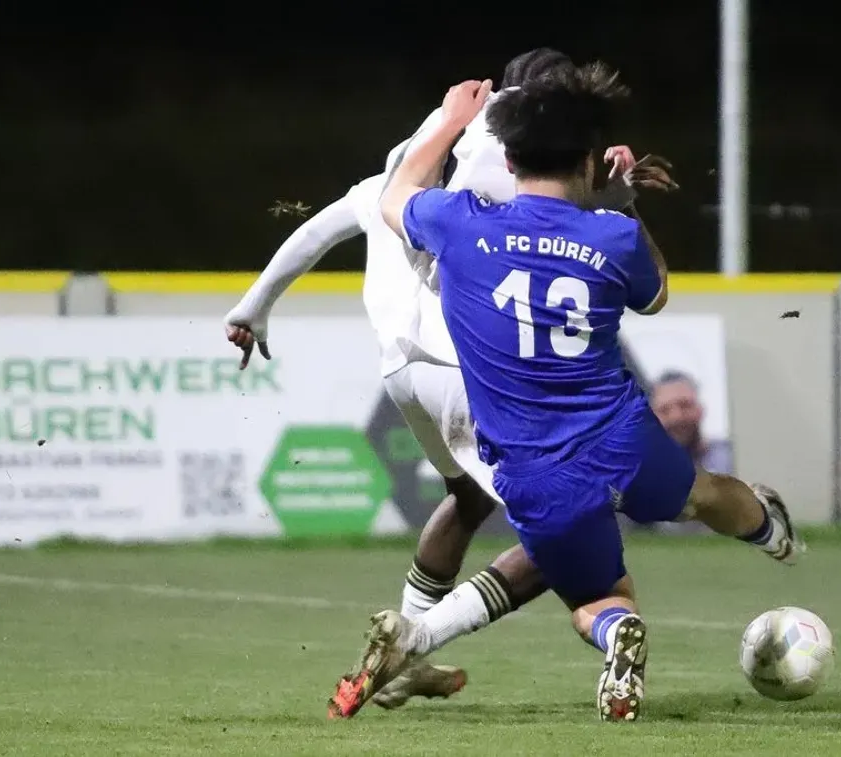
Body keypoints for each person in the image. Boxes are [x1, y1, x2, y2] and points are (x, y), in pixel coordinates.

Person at [338, 64, 804, 723]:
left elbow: (396, 197)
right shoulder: (611, 234)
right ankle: (769, 530)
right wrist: (622, 205)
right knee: (702, 492)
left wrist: (449, 121)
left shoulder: (460, 224)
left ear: (508, 159)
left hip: (534, 470)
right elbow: (656, 294)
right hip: (623, 439)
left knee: (596, 594)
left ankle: (616, 632)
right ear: (589, 160)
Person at [222, 50, 679, 715]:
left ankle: (409, 655)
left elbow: (317, 232)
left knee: (466, 497)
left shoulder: (400, 166)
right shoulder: (503, 157)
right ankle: (417, 642)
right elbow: (557, 219)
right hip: (458, 366)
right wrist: (617, 196)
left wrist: (251, 308)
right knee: (564, 528)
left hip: (400, 372)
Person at [650, 370, 734, 475]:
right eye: (664, 410)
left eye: (684, 405)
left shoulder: (732, 458)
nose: (676, 417)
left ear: (700, 410)